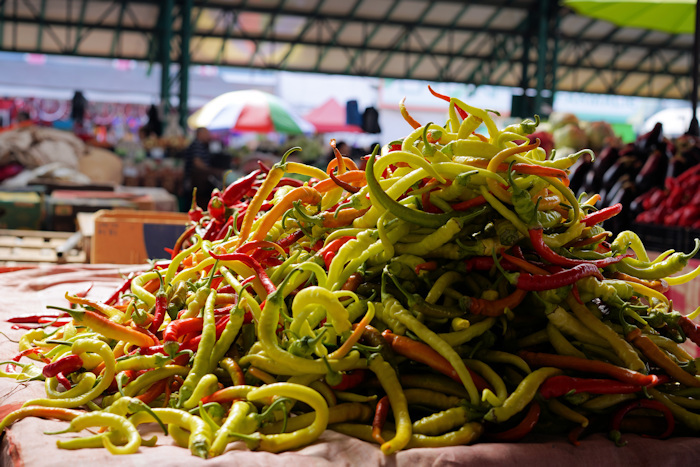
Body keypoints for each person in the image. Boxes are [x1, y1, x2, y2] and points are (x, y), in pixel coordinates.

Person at [183, 127, 222, 209]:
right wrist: (212, 171)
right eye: (206, 134)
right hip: (194, 181)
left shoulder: (203, 145)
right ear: (199, 134)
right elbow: (197, 163)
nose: (209, 136)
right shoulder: (197, 145)